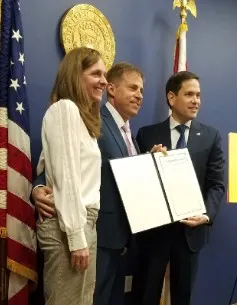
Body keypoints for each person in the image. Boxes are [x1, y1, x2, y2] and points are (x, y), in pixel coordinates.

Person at [32, 61, 166, 305]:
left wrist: (149, 161)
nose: (139, 96)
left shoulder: (130, 134)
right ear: (112, 90)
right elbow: (58, 161)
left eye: (142, 91)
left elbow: (116, 172)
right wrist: (38, 187)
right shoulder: (90, 117)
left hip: (119, 238)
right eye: (133, 88)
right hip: (92, 234)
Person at [133, 71, 225, 305]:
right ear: (172, 98)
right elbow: (137, 182)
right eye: (190, 94)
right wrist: (147, 160)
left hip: (190, 233)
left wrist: (205, 215)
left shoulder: (211, 137)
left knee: (183, 297)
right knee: (145, 295)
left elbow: (216, 184)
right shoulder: (147, 134)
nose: (196, 100)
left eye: (199, 95)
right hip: (155, 232)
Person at [35, 47, 107, 305]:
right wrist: (77, 238)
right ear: (76, 75)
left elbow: (47, 166)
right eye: (96, 73)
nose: (104, 81)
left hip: (83, 222)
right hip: (70, 227)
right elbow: (65, 177)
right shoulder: (64, 109)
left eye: (105, 74)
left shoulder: (81, 118)